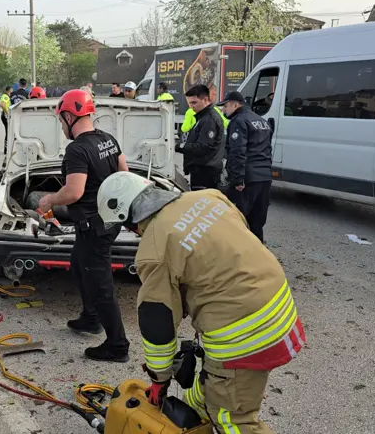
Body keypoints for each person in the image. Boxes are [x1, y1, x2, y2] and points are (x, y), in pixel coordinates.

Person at [96, 172, 305, 434]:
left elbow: (157, 323)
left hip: (243, 335)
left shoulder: (154, 250)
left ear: (128, 220)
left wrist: (159, 379)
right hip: (279, 307)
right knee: (197, 400)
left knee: (232, 418)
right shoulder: (208, 197)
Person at [37, 89, 130, 362]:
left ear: (68, 115)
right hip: (109, 221)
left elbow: (74, 192)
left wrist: (48, 201)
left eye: (60, 120)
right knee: (78, 262)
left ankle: (118, 346)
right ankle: (90, 318)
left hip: (94, 226)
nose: (61, 126)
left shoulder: (77, 149)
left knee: (101, 285)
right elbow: (124, 175)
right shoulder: (108, 140)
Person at [220, 91, 273, 242]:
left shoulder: (239, 121)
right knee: (257, 222)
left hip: (247, 179)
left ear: (235, 105)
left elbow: (237, 152)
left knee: (238, 220)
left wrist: (237, 179)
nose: (224, 110)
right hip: (264, 177)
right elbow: (268, 150)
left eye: (225, 106)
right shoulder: (262, 121)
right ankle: (258, 255)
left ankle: (239, 256)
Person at [175, 85, 224, 190]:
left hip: (206, 172)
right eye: (190, 103)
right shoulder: (202, 117)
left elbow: (202, 147)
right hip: (201, 170)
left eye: (194, 103)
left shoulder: (209, 119)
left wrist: (179, 146)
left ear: (205, 100)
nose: (191, 106)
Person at [0, 86, 13, 154]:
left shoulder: (8, 97)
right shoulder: (5, 96)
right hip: (5, 116)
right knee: (8, 133)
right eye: (11, 90)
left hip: (6, 116)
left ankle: (7, 149)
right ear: (9, 90)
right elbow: (2, 104)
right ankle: (6, 149)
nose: (12, 91)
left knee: (9, 132)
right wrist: (7, 113)